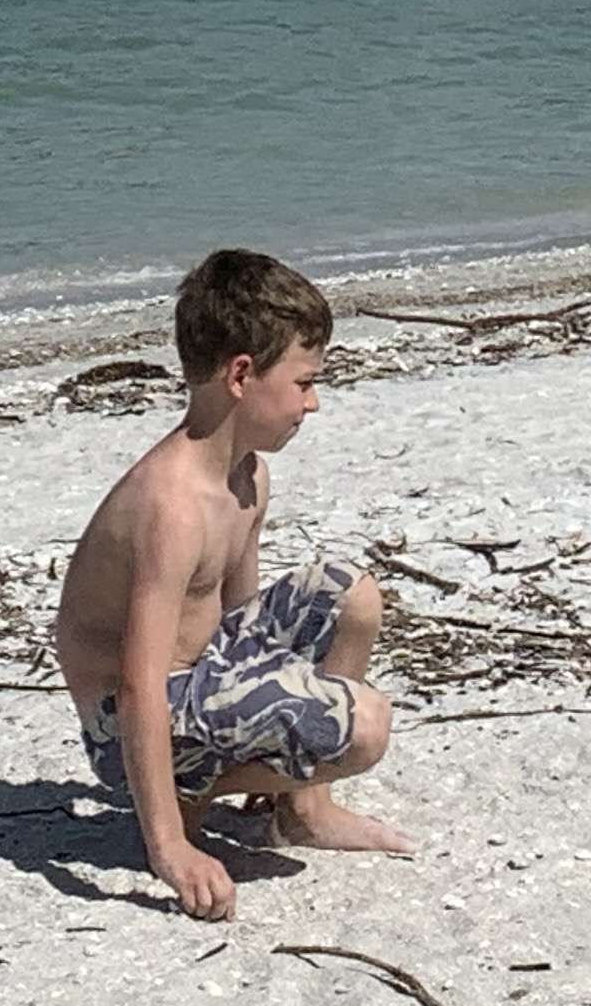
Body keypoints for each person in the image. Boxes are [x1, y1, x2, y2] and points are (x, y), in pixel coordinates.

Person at [51, 250, 409, 919]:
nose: (314, 401)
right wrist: (168, 848)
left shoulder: (246, 476)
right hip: (127, 721)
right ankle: (178, 805)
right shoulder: (171, 504)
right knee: (363, 727)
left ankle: (303, 810)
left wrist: (277, 715)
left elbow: (242, 621)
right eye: (303, 382)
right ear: (242, 374)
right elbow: (136, 682)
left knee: (352, 594)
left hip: (200, 680)